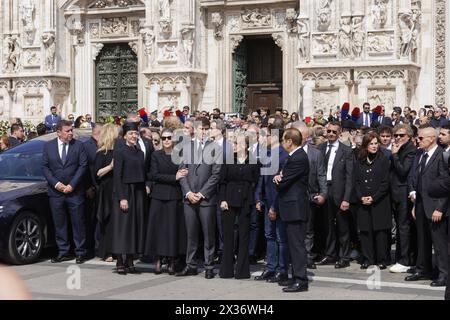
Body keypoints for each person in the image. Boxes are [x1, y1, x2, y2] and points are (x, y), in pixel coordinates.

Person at [177, 118, 222, 279]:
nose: (203, 132)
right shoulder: (185, 147)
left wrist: (202, 193)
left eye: (206, 129)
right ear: (194, 130)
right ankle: (191, 265)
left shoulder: (215, 148)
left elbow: (216, 175)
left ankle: (209, 265)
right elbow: (181, 172)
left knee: (209, 233)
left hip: (206, 198)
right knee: (191, 234)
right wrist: (188, 192)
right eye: (201, 129)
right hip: (189, 198)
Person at [406, 125, 449, 287]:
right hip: (421, 204)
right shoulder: (421, 155)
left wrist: (440, 208)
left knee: (439, 243)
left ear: (432, 139)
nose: (418, 140)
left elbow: (446, 185)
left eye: (421, 138)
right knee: (422, 240)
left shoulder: (442, 156)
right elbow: (417, 180)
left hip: (436, 207)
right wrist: (415, 204)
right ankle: (424, 269)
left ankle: (444, 274)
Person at [42, 120, 88, 264]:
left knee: (78, 223)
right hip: (56, 193)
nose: (70, 133)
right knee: (59, 223)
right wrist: (56, 184)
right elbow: (45, 167)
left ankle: (80, 252)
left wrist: (72, 185)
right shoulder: (48, 146)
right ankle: (63, 251)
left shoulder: (79, 146)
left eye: (71, 130)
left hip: (74, 192)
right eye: (67, 131)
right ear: (59, 132)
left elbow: (83, 166)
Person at [145, 129, 188, 275]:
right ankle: (157, 259)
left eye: (169, 138)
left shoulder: (179, 155)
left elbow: (183, 173)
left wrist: (176, 177)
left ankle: (171, 261)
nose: (166, 140)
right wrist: (173, 177)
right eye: (164, 138)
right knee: (157, 229)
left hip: (175, 196)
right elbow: (154, 175)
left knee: (172, 229)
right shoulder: (156, 155)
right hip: (158, 196)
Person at [272, 128, 310, 293]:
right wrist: (279, 176)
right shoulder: (293, 157)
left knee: (296, 245)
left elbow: (283, 182)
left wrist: (278, 178)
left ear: (289, 141)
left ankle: (301, 280)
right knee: (293, 244)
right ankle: (295, 276)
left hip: (295, 208)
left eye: (283, 140)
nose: (282, 143)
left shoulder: (298, 158)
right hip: (290, 207)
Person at [219, 136, 260, 279]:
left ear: (246, 146)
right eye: (234, 143)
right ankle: (226, 270)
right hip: (229, 200)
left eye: (237, 143)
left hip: (246, 200)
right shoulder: (228, 159)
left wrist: (255, 200)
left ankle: (242, 271)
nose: (234, 145)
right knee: (228, 235)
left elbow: (256, 181)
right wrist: (223, 199)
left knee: (244, 235)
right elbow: (222, 181)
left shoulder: (254, 161)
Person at [110, 122, 147, 275]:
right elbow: (117, 176)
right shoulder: (119, 152)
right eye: (131, 134)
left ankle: (130, 259)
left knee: (134, 227)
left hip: (138, 192)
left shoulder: (140, 153)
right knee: (122, 227)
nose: (134, 136)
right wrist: (122, 198)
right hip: (125, 191)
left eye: (136, 134)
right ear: (125, 136)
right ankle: (120, 259)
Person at [254, 125, 289, 283]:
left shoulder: (284, 156)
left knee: (281, 237)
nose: (261, 138)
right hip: (267, 200)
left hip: (278, 202)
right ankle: (271, 267)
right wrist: (258, 197)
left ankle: (282, 270)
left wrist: (274, 207)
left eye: (264, 135)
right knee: (269, 235)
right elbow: (262, 178)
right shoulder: (266, 153)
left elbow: (280, 184)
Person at [317, 122, 354, 268]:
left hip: (340, 191)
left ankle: (344, 256)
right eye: (329, 131)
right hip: (325, 190)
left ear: (339, 133)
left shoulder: (346, 151)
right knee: (327, 225)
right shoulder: (320, 148)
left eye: (334, 132)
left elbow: (350, 177)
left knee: (342, 226)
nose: (331, 134)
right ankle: (330, 254)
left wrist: (346, 198)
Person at [354, 132, 392, 269]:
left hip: (379, 201)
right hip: (363, 201)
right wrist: (361, 197)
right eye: (371, 144)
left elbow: (385, 183)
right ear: (366, 145)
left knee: (380, 232)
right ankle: (368, 258)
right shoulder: (360, 160)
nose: (374, 146)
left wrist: (374, 197)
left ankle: (382, 259)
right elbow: (356, 181)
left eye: (376, 143)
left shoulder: (383, 160)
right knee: (365, 231)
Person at [295, 124, 327, 269]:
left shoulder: (315, 153)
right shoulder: (289, 152)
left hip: (310, 195)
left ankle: (307, 256)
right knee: (294, 227)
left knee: (308, 229)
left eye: (301, 136)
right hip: (293, 196)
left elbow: (321, 174)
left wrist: (323, 193)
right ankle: (295, 254)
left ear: (307, 137)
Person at [389, 124, 418, 273]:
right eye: (396, 135)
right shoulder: (398, 148)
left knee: (404, 227)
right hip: (395, 193)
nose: (398, 138)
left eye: (402, 135)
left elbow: (403, 171)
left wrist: (394, 155)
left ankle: (405, 260)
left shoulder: (410, 150)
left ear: (409, 137)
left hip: (404, 193)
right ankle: (401, 257)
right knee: (401, 228)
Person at [95, 124, 118, 261]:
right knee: (107, 220)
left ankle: (117, 250)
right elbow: (97, 173)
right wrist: (110, 166)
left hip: (118, 189)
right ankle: (107, 251)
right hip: (106, 190)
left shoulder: (119, 151)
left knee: (117, 221)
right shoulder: (101, 153)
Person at [83, 124, 103, 258]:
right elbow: (83, 168)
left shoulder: (103, 145)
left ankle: (99, 247)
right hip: (91, 188)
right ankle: (90, 248)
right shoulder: (86, 146)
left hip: (102, 188)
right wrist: (88, 186)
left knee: (99, 219)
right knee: (90, 220)